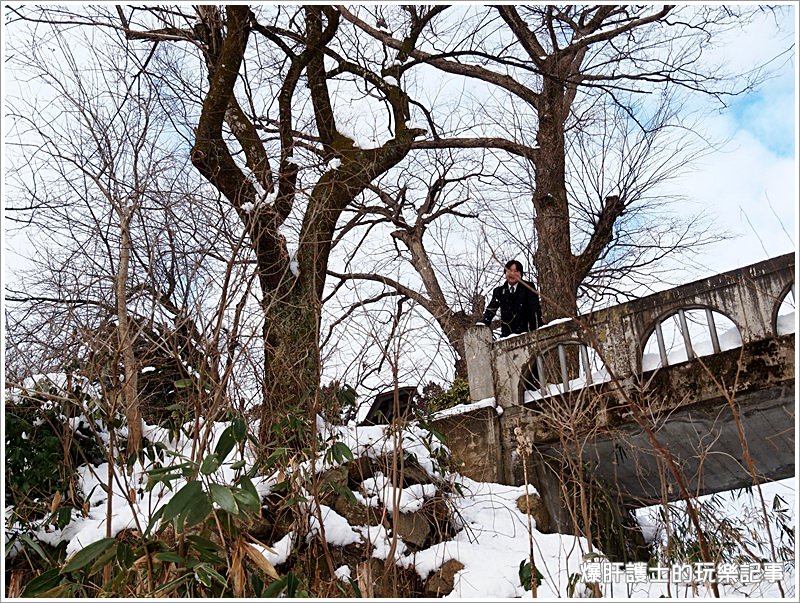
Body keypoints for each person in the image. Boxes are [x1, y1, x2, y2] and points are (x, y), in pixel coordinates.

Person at [480, 259, 544, 337]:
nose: (512, 274)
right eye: (509, 271)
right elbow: (491, 309)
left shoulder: (529, 287)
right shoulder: (499, 291)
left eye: (516, 271)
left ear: (521, 274)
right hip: (507, 336)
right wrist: (483, 323)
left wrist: (536, 331)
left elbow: (535, 310)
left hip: (527, 333)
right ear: (505, 273)